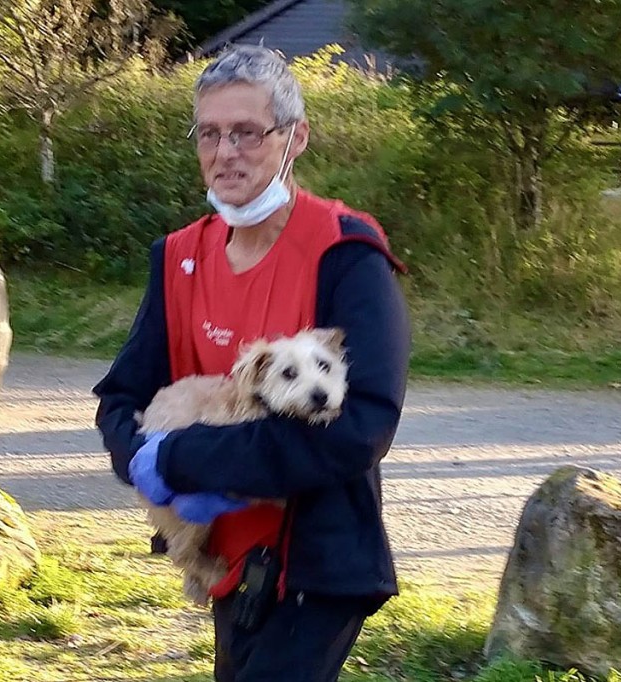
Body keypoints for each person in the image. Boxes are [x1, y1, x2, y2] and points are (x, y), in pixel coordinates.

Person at [93, 44, 411, 682]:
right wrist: (138, 460)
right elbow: (122, 395)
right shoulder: (180, 255)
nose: (225, 151)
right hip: (227, 557)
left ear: (295, 139)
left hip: (318, 560)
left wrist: (181, 459)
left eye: (246, 131)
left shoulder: (346, 252)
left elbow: (362, 426)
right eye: (209, 133)